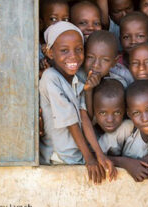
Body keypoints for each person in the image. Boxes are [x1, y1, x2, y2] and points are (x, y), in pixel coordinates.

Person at [39, 21, 116, 183]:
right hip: (59, 157)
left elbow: (83, 118)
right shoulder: (50, 78)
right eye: (64, 50)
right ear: (50, 53)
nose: (73, 56)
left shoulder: (75, 79)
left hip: (75, 155)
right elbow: (71, 121)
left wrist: (98, 154)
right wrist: (90, 158)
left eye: (79, 49)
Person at [76, 31, 127, 119]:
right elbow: (87, 119)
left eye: (105, 60)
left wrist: (89, 90)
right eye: (90, 57)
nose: (96, 65)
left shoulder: (119, 83)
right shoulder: (76, 77)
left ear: (114, 62)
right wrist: (88, 91)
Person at [93, 79, 131, 156]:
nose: (110, 120)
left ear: (125, 111)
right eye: (103, 113)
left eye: (117, 113)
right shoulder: (89, 126)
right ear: (94, 111)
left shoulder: (128, 127)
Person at [39, 0, 70, 77]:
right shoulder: (34, 49)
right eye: (53, 19)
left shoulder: (71, 44)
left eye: (65, 19)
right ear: (40, 23)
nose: (60, 24)